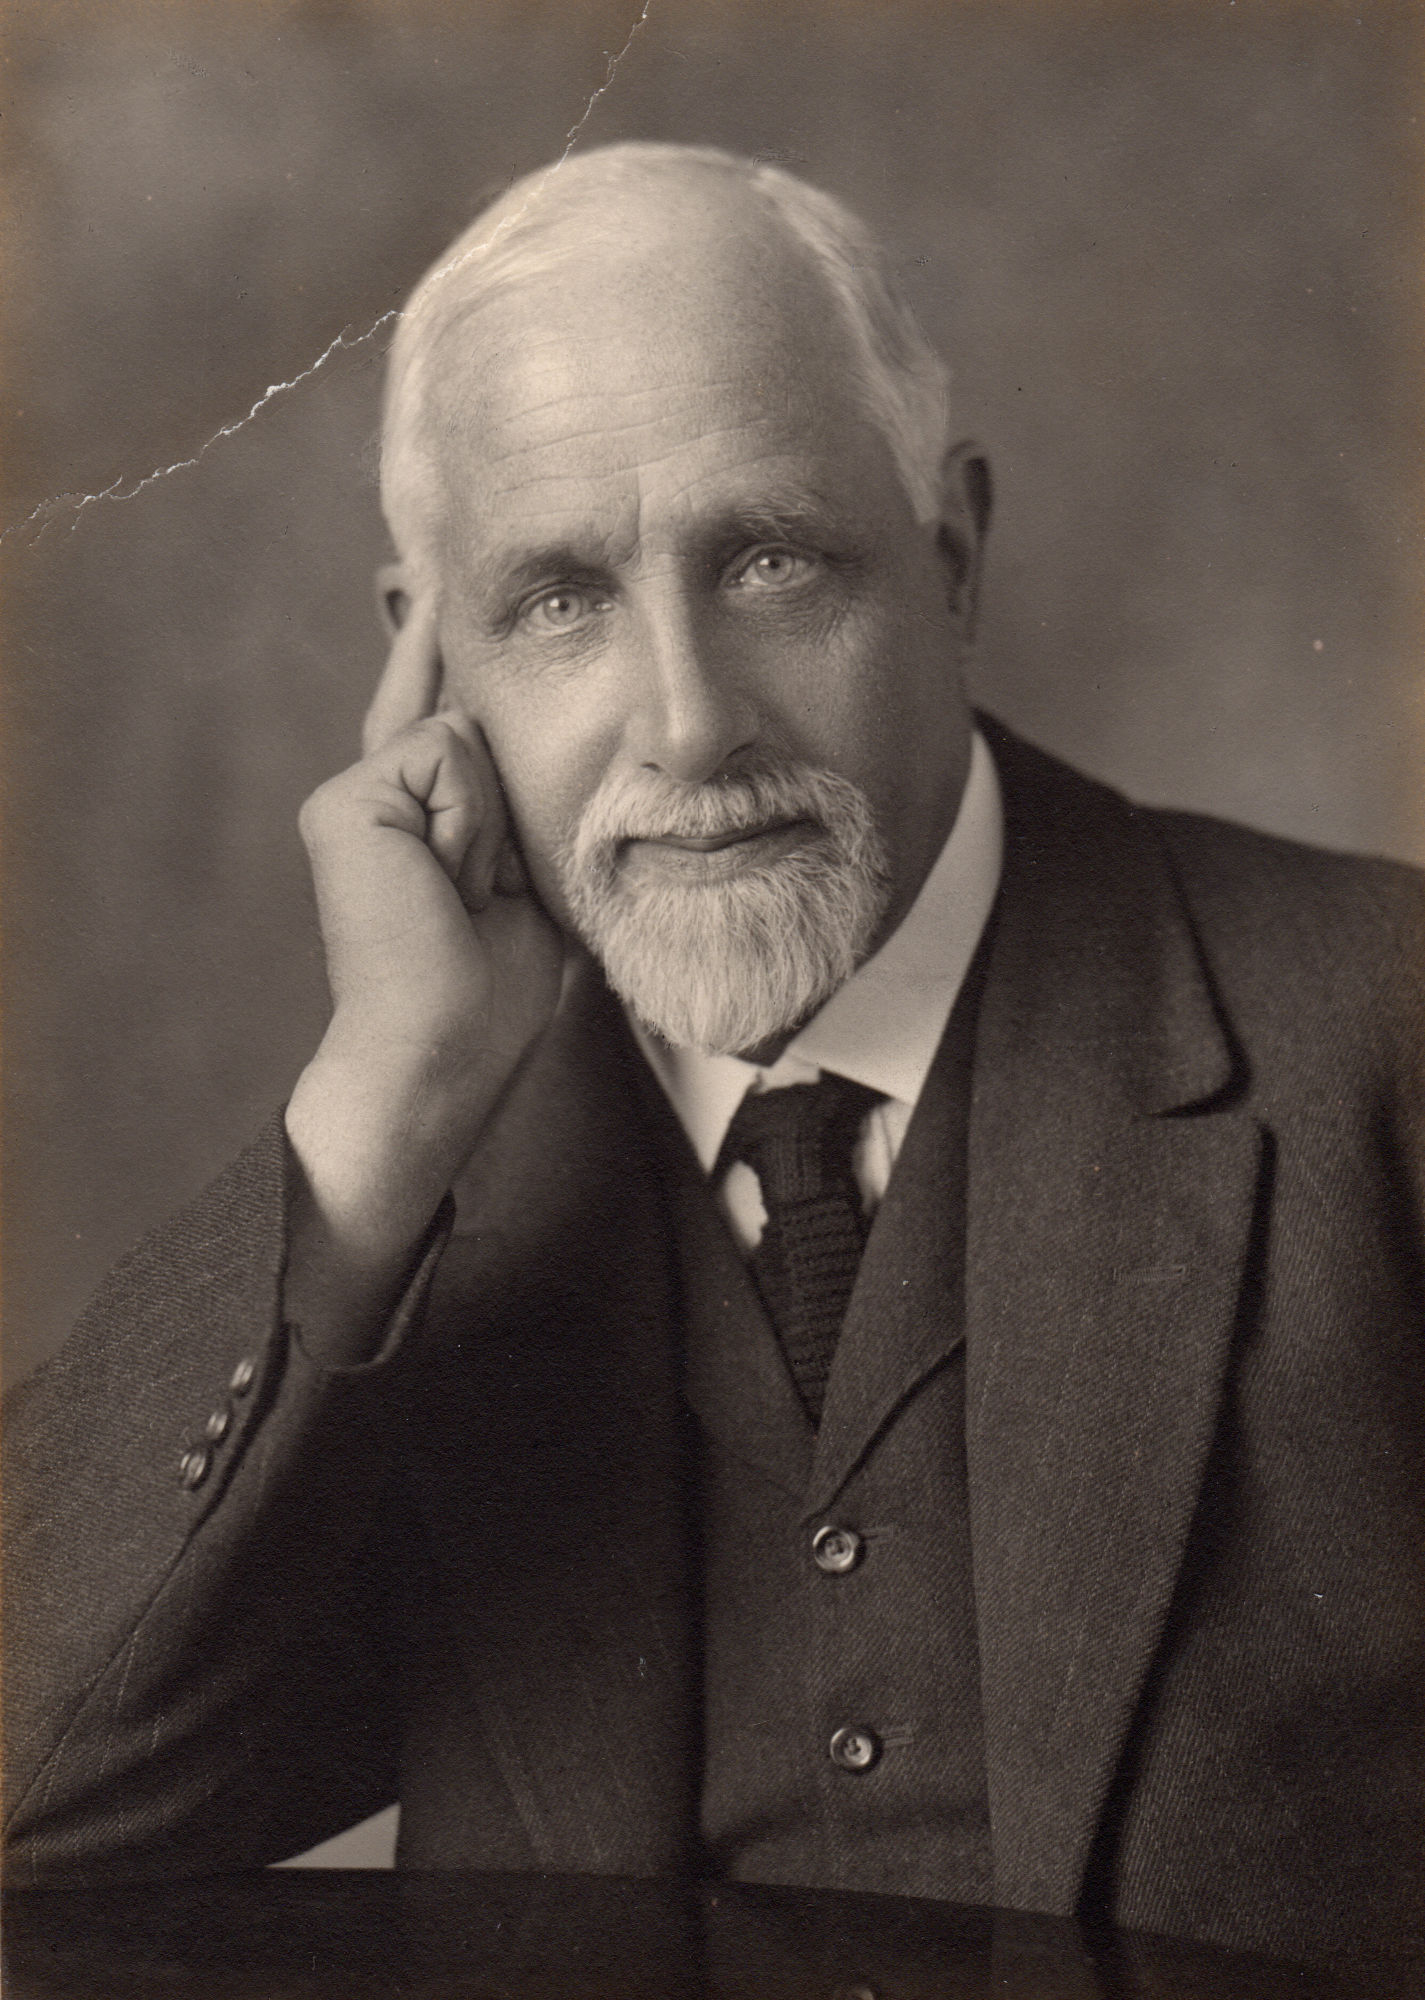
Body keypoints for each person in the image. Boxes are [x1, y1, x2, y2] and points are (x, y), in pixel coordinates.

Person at [5, 143, 1423, 1975]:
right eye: (557, 601)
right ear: (432, 668)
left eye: (768, 561)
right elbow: (35, 1798)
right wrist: (388, 1097)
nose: (686, 725)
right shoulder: (421, 1194)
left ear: (951, 557)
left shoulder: (1378, 1031)